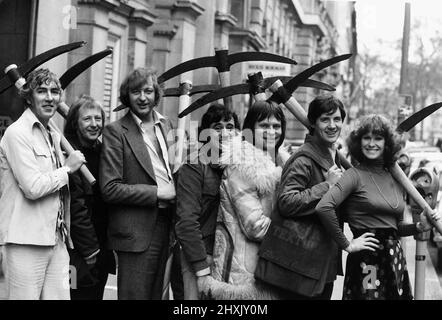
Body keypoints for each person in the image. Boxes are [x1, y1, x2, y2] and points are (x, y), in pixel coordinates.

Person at [315, 114, 438, 300]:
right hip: (368, 261)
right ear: (358, 141)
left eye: (378, 138)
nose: (372, 143)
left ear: (386, 143)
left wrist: (418, 227)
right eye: (367, 138)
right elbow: (324, 207)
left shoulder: (395, 178)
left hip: (394, 258)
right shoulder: (354, 175)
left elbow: (395, 228)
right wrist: (347, 244)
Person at [255, 94, 355, 300]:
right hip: (299, 267)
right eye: (325, 119)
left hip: (320, 265)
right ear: (313, 123)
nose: (332, 125)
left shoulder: (332, 156)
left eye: (337, 119)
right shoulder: (303, 159)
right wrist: (327, 185)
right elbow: (286, 202)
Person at [0, 68, 85, 299]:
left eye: (55, 92)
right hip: (24, 241)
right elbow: (33, 188)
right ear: (28, 96)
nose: (49, 97)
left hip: (55, 239)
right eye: (42, 91)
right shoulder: (17, 133)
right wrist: (68, 168)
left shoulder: (53, 135)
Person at [198, 100, 289, 299]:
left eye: (276, 126)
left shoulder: (280, 162)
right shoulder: (242, 165)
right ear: (249, 129)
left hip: (269, 263)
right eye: (264, 126)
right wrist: (294, 236)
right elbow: (254, 226)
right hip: (243, 269)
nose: (272, 131)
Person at [100, 67, 175, 300]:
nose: (142, 97)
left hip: (169, 225)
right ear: (126, 96)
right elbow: (110, 188)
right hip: (136, 232)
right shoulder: (115, 131)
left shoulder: (166, 125)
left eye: (148, 91)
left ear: (156, 95)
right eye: (135, 92)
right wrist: (157, 193)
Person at [175, 103, 240, 300]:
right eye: (217, 128)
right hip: (202, 257)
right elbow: (186, 222)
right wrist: (201, 267)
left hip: (232, 258)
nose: (224, 133)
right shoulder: (195, 165)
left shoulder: (238, 164)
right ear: (205, 133)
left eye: (230, 127)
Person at [64, 95, 116, 300]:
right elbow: (75, 207)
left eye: (98, 119)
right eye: (87, 119)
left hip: (102, 247)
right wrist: (90, 251)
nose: (94, 124)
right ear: (75, 123)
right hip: (77, 251)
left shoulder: (104, 153)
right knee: (75, 295)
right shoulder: (68, 154)